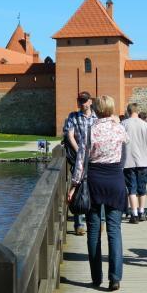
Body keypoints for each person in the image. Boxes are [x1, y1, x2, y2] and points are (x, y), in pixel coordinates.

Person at [67, 95, 128, 291]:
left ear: (97, 109)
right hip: (116, 180)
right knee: (114, 230)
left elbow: (81, 161)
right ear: (110, 109)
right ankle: (115, 277)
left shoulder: (90, 131)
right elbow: (124, 152)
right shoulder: (120, 129)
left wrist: (74, 185)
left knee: (93, 231)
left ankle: (96, 277)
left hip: (93, 180)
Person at [63, 91, 97, 236]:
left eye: (84, 101)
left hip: (95, 158)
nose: (82, 103)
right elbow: (69, 134)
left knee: (95, 189)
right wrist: (79, 151)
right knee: (78, 188)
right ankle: (79, 223)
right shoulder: (73, 116)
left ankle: (97, 221)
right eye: (80, 101)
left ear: (90, 101)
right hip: (79, 158)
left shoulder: (97, 117)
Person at [122, 103, 147, 223]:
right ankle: (141, 211)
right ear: (137, 111)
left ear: (128, 111)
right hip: (143, 160)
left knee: (131, 188)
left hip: (128, 160)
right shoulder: (145, 125)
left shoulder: (123, 124)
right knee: (142, 187)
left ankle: (133, 213)